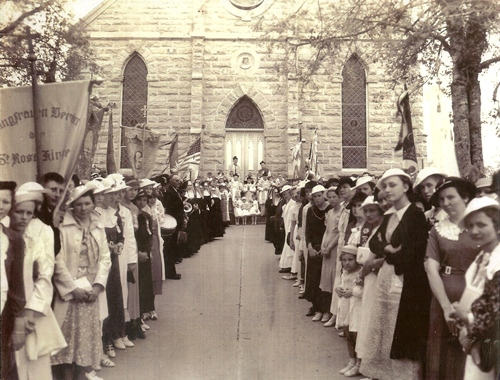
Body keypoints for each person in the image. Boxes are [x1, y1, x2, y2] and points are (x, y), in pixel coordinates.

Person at [360, 168, 431, 380]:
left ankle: (403, 376)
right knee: (383, 325)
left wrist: (389, 253)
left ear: (406, 187)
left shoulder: (415, 216)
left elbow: (412, 254)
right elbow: (374, 242)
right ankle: (382, 373)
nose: (388, 190)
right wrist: (389, 249)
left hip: (405, 279)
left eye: (393, 185)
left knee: (399, 326)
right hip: (386, 277)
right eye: (384, 186)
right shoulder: (390, 215)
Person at [51, 184, 111, 380]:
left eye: (87, 203)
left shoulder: (98, 225)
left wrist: (97, 286)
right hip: (70, 293)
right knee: (67, 340)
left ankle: (80, 376)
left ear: (93, 204)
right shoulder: (63, 226)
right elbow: (57, 260)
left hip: (90, 294)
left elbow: (105, 257)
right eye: (79, 204)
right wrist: (72, 288)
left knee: (84, 342)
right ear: (72, 206)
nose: (83, 208)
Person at [8, 182, 66, 380]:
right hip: (8, 307)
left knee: (33, 364)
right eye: (19, 212)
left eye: (29, 212)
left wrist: (30, 311)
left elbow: (45, 274)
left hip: (32, 308)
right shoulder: (5, 230)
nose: (24, 217)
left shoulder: (42, 231)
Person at [424, 177, 479, 380]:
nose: (445, 203)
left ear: (465, 197)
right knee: (443, 350)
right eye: (441, 199)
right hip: (443, 296)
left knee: (474, 348)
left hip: (475, 295)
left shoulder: (481, 226)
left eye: (450, 197)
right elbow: (431, 268)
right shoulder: (437, 230)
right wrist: (446, 307)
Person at [451, 197, 500, 380]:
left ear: (497, 225)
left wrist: (469, 318)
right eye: (470, 226)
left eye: (481, 225)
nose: (475, 231)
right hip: (474, 334)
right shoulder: (482, 255)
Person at [0, 181, 27, 380]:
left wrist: (18, 323)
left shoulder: (13, 239)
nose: (1, 206)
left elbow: (17, 286)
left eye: (5, 201)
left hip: (4, 315)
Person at [304, 185, 332, 322]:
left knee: (325, 280)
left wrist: (325, 247)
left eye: (319, 195)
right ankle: (317, 308)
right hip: (313, 248)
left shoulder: (330, 209)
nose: (317, 198)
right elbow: (307, 231)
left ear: (324, 195)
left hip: (326, 248)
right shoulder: (310, 211)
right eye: (314, 196)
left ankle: (326, 310)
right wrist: (309, 247)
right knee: (314, 279)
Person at [336, 245, 363, 377]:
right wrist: (339, 289)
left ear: (357, 259)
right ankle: (351, 361)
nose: (347, 263)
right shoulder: (345, 272)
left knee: (356, 335)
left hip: (356, 308)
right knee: (348, 334)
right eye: (344, 260)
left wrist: (353, 292)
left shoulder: (361, 274)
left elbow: (364, 291)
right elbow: (342, 285)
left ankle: (359, 364)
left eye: (350, 260)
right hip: (346, 306)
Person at [319, 187, 342, 326]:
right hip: (327, 248)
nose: (332, 200)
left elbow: (339, 233)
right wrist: (323, 246)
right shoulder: (329, 213)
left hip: (335, 248)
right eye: (330, 197)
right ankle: (327, 310)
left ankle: (335, 314)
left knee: (335, 279)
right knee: (326, 279)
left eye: (335, 197)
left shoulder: (343, 213)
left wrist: (329, 246)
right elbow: (327, 231)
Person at [161, 175, 184, 279]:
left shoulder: (175, 191)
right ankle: (170, 272)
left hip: (176, 221)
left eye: (179, 180)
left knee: (173, 247)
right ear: (171, 181)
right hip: (172, 222)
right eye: (176, 180)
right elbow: (172, 208)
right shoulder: (170, 192)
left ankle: (170, 270)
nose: (179, 182)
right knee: (170, 248)